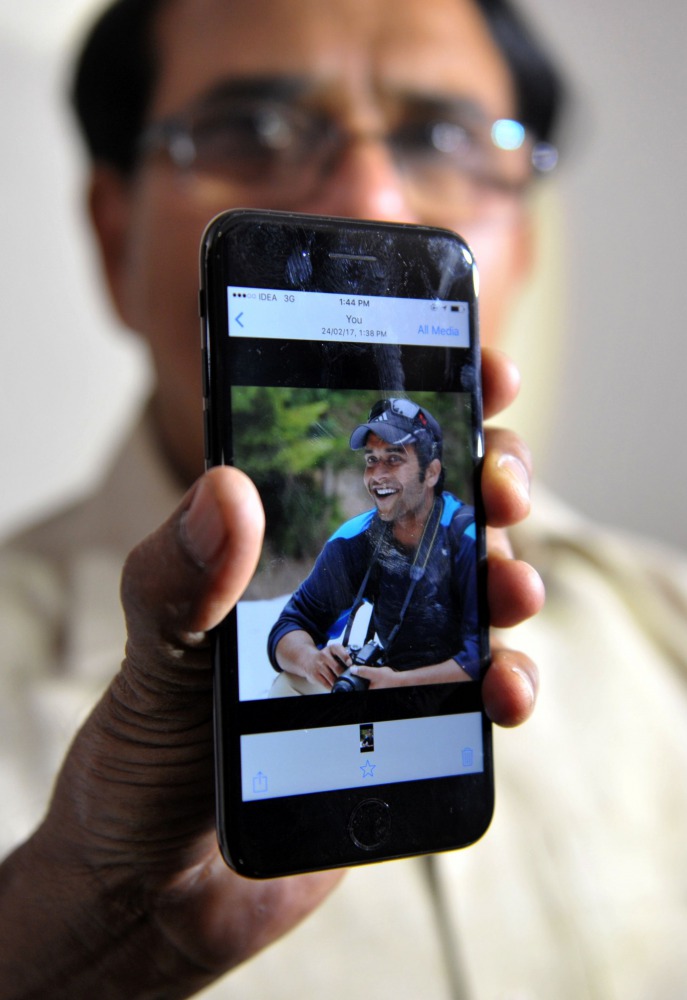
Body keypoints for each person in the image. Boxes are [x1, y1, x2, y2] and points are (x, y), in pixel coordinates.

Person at [0, 0, 685, 998]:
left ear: (524, 242)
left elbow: (452, 657)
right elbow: (303, 623)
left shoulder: (664, 633)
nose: (372, 194)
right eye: (253, 129)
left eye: (444, 138)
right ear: (116, 235)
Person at [269, 397, 482, 693]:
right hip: (383, 692)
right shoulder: (355, 538)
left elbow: (481, 656)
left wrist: (400, 684)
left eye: (394, 459)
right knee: (287, 683)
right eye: (372, 460)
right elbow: (290, 624)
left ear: (431, 472)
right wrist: (312, 660)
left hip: (449, 705)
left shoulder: (468, 537)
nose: (377, 475)